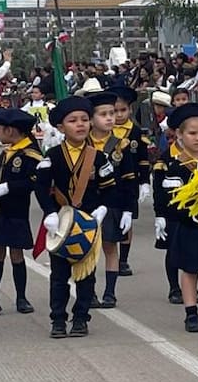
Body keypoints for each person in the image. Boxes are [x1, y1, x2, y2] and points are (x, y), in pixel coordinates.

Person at [33, 96, 114, 338]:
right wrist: (49, 212)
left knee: (85, 274)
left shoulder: (98, 157)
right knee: (59, 276)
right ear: (60, 127)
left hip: (87, 223)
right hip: (60, 222)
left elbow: (110, 187)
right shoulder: (53, 155)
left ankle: (81, 318)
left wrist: (102, 209)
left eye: (84, 120)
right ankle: (58, 319)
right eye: (72, 120)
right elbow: (41, 186)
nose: (80, 125)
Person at [152, 103, 198, 333]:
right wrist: (163, 215)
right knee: (190, 270)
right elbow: (171, 199)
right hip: (188, 224)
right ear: (180, 135)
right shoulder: (175, 165)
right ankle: (191, 312)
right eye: (192, 133)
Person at [0, 108, 43, 315]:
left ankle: (21, 297)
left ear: (11, 130)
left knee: (17, 254)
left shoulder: (30, 154)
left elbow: (34, 181)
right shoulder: (7, 152)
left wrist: (9, 187)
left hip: (16, 210)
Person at [87, 91, 138, 308]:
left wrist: (128, 209)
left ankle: (110, 292)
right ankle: (88, 292)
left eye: (111, 113)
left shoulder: (121, 145)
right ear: (91, 119)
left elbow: (129, 178)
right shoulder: (83, 143)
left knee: (110, 247)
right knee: (88, 250)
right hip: (88, 203)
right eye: (103, 114)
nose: (110, 118)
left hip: (113, 203)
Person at [109, 85, 151, 278]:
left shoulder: (134, 131)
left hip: (130, 181)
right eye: (114, 111)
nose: (118, 115)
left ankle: (123, 260)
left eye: (122, 110)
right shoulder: (104, 130)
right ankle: (110, 256)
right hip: (108, 181)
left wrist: (144, 182)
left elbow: (142, 158)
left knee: (127, 221)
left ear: (130, 110)